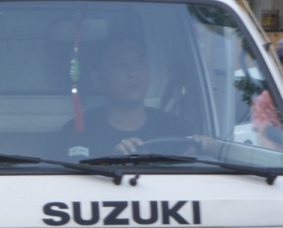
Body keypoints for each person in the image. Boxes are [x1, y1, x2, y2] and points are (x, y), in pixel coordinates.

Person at [52, 34, 197, 159]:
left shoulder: (176, 129)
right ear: (98, 79)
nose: (133, 72)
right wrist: (114, 162)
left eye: (140, 62)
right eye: (120, 65)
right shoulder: (77, 132)